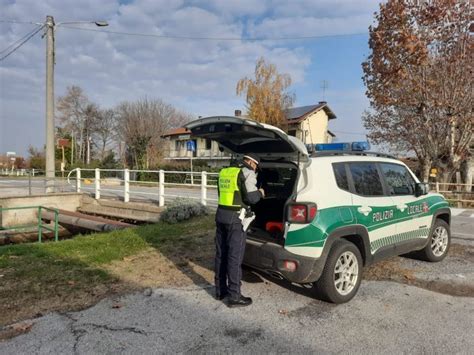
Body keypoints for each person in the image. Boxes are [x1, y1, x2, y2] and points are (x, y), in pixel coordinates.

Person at [215, 154, 265, 308]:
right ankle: (234, 296)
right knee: (234, 257)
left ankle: (220, 291)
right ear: (250, 162)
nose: (255, 168)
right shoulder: (247, 173)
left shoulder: (225, 172)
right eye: (255, 165)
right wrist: (261, 193)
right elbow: (251, 198)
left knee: (221, 254)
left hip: (221, 216)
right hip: (236, 220)